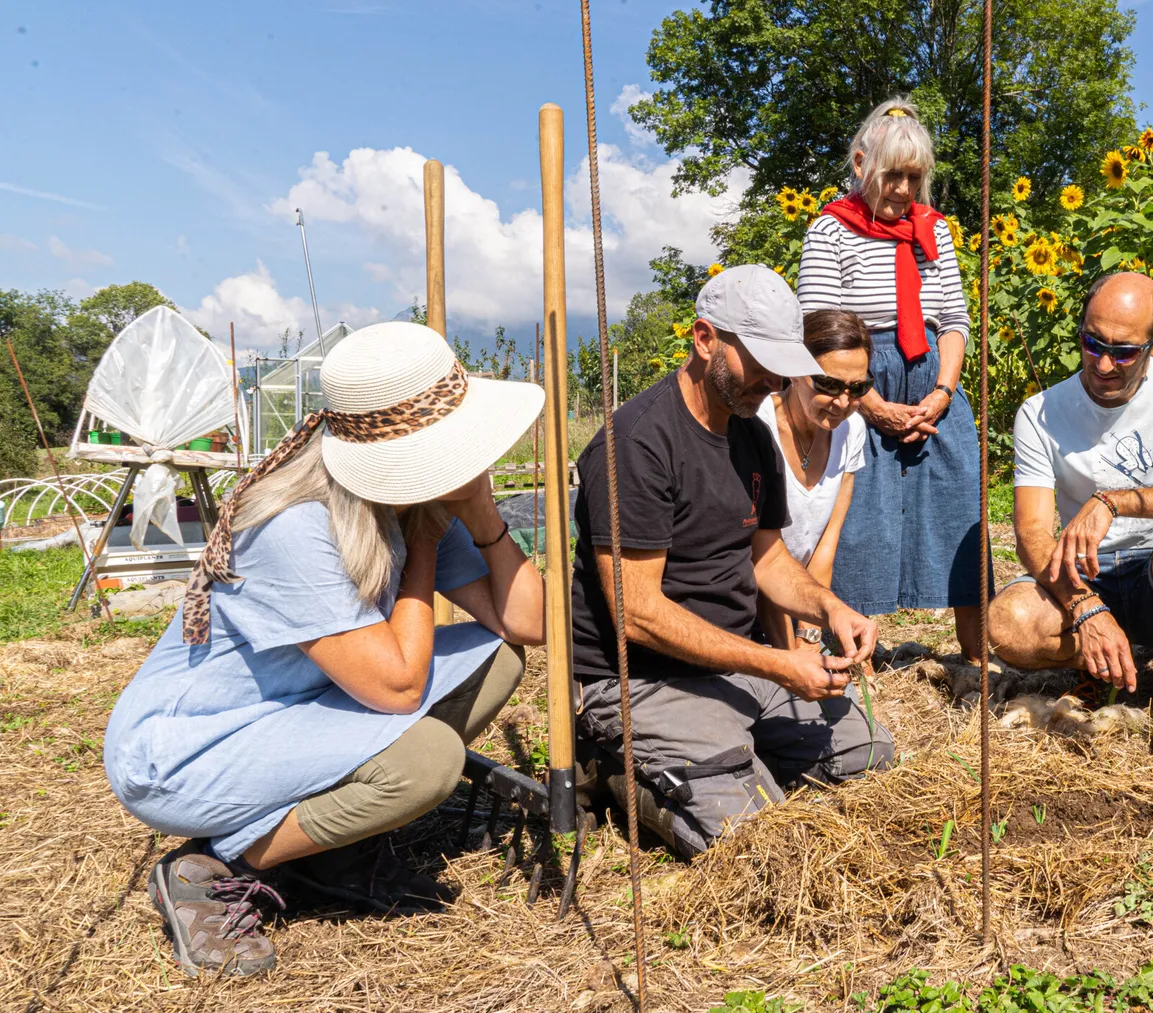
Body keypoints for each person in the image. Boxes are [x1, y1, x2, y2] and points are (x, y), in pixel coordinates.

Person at [103, 322, 546, 976]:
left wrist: (479, 509)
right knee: (425, 761)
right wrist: (425, 543)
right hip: (188, 746)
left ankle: (332, 848)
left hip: (295, 706)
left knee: (498, 655)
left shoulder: (404, 497)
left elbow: (527, 622)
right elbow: (395, 688)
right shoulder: (295, 524)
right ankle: (217, 864)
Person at [571, 265, 893, 859]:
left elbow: (767, 559)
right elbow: (637, 614)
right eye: (758, 360)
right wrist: (775, 662)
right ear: (704, 338)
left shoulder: (750, 435)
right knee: (752, 837)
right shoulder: (637, 444)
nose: (773, 380)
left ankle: (727, 751)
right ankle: (622, 770)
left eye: (781, 363)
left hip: (731, 663)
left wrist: (829, 608)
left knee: (867, 752)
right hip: (639, 677)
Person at [988, 273, 1153, 761]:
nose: (1104, 363)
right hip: (1089, 574)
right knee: (1007, 622)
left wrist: (1112, 500)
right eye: (1091, 342)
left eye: (1124, 351)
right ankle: (1098, 670)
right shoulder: (1039, 412)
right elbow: (1033, 534)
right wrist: (1083, 604)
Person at [797, 97, 985, 661]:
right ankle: (851, 650)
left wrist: (942, 392)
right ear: (860, 165)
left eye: (914, 177)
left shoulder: (935, 231)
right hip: (853, 381)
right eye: (892, 175)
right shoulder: (829, 231)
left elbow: (953, 318)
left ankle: (977, 660)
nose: (904, 189)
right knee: (857, 520)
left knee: (960, 511)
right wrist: (869, 403)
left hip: (931, 375)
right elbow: (819, 330)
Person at [754, 309, 874, 650]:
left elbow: (823, 549)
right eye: (828, 384)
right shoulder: (758, 425)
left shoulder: (852, 431)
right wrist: (791, 656)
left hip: (799, 599)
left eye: (858, 388)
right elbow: (758, 554)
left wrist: (809, 636)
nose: (842, 402)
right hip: (748, 597)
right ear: (795, 372)